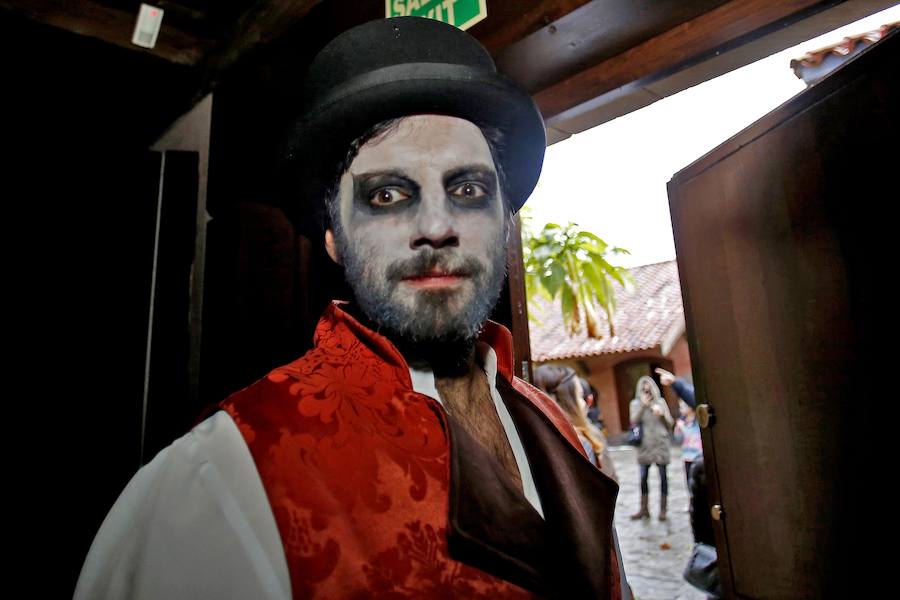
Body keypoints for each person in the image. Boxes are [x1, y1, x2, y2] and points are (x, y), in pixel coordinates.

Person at [74, 17, 630, 600]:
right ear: (335, 238)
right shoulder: (220, 482)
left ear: (503, 221)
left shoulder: (557, 427)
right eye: (387, 195)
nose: (437, 227)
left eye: (467, 190)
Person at [533, 366, 617, 482]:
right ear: (566, 403)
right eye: (580, 396)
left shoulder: (533, 439)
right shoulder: (581, 444)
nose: (584, 404)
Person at [628, 376, 674, 521]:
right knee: (643, 478)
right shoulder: (635, 404)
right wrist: (643, 405)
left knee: (663, 478)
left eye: (649, 390)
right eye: (643, 390)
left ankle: (663, 510)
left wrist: (662, 415)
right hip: (645, 446)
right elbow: (633, 421)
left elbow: (670, 424)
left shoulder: (660, 402)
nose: (647, 393)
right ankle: (644, 509)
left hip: (660, 444)